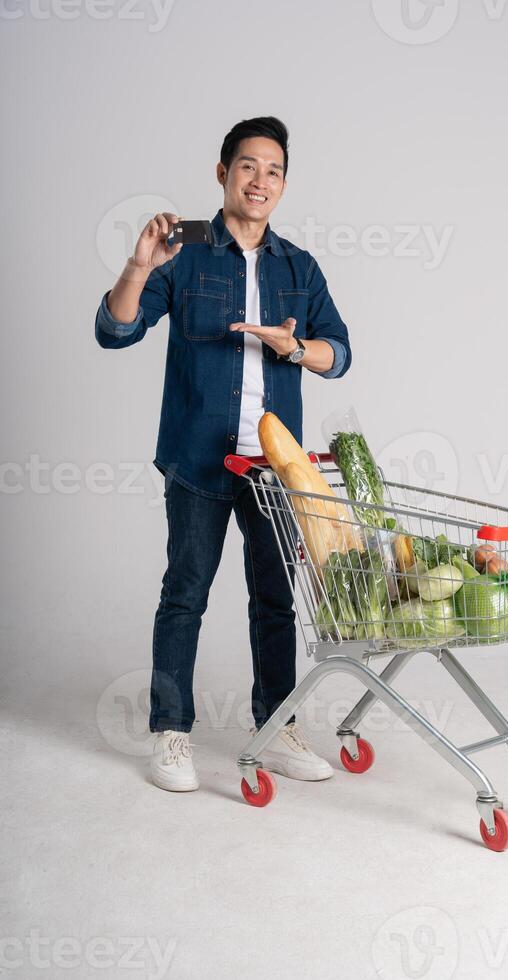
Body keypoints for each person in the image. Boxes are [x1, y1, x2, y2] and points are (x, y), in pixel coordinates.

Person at [95, 116, 352, 791]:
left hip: (272, 468)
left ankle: (276, 728)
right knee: (185, 594)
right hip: (198, 457)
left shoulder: (299, 266)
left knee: (275, 600)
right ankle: (171, 733)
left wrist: (292, 346)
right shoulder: (184, 248)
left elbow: (340, 354)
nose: (259, 180)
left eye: (272, 170)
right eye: (247, 166)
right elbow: (115, 329)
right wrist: (139, 264)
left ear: (284, 183)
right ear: (222, 173)